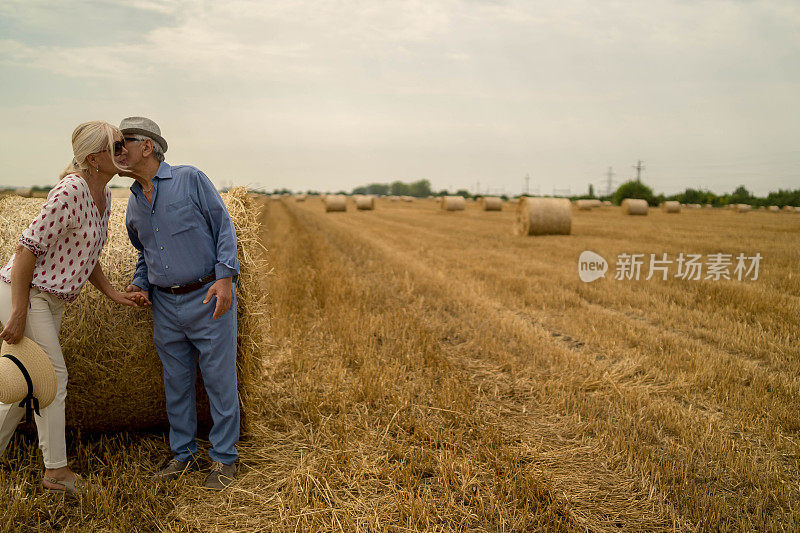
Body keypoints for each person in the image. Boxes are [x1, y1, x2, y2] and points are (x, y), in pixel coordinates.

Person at [0, 121, 146, 497]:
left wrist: (114, 294)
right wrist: (17, 311)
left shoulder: (105, 195)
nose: (123, 149)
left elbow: (87, 256)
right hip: (26, 293)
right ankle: (57, 473)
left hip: (50, 301)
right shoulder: (71, 190)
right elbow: (25, 250)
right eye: (116, 145)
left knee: (24, 385)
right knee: (52, 378)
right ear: (94, 158)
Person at [118, 117, 240, 490]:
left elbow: (224, 227)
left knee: (220, 383)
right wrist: (140, 284)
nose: (117, 151)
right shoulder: (134, 204)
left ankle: (224, 459)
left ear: (147, 146)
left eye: (124, 143)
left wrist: (224, 278)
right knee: (177, 384)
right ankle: (183, 455)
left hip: (207, 297)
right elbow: (145, 253)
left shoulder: (190, 179)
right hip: (165, 307)